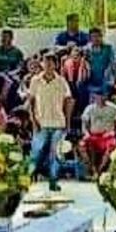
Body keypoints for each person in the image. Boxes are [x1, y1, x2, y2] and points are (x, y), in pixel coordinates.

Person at [28, 53, 74, 192]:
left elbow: (68, 101)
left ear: (55, 64)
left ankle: (53, 181)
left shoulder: (61, 81)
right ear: (42, 64)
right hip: (41, 123)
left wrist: (68, 120)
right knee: (36, 153)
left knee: (56, 154)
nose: (48, 65)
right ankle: (27, 180)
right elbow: (31, 102)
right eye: (45, 62)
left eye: (51, 63)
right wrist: (33, 121)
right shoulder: (35, 81)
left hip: (58, 122)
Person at [80, 88, 116, 176]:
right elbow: (84, 124)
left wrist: (113, 132)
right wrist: (86, 133)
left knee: (111, 145)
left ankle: (100, 169)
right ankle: (91, 168)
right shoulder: (89, 108)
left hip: (107, 136)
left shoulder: (113, 108)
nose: (100, 98)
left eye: (102, 96)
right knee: (82, 145)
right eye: (97, 96)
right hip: (93, 135)